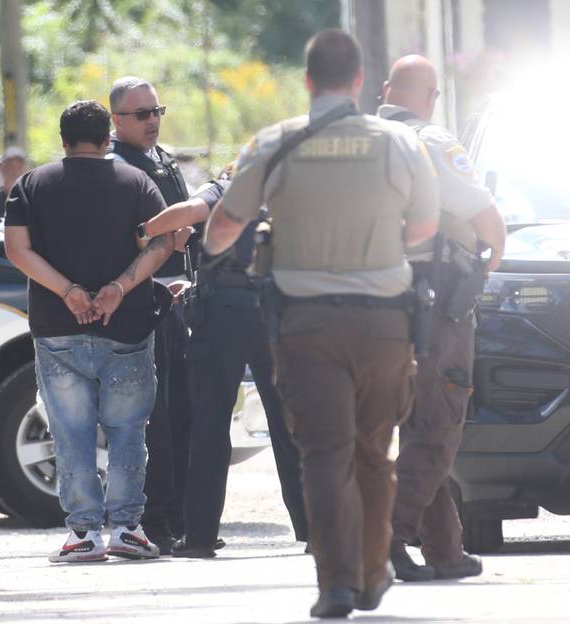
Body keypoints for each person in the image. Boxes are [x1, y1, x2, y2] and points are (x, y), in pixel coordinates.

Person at [203, 29, 440, 618]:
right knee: (373, 452)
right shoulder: (399, 143)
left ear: (307, 81)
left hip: (307, 327)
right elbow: (423, 231)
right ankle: (371, 568)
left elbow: (224, 227)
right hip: (385, 325)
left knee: (324, 454)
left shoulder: (275, 144)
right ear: (360, 81)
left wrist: (219, 248)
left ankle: (335, 585)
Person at [4, 100, 175, 563]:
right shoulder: (137, 182)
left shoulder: (32, 184)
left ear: (63, 141)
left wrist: (68, 291)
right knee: (127, 430)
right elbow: (163, 241)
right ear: (107, 139)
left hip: (58, 329)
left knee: (70, 432)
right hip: (127, 328)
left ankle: (82, 533)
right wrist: (118, 287)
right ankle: (126, 528)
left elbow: (17, 250)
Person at [379, 55, 507, 582]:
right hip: (432, 307)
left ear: (387, 90)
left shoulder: (348, 142)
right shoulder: (429, 139)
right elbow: (488, 221)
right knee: (437, 425)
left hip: (360, 305)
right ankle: (384, 535)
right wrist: (487, 263)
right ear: (430, 96)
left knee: (411, 424)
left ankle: (445, 549)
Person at [136, 169, 309, 558]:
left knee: (210, 424)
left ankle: (198, 537)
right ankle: (315, 529)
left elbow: (188, 211)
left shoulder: (227, 188)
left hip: (226, 312)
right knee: (289, 424)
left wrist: (144, 230)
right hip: (279, 310)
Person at [106, 76, 193, 553]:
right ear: (116, 121)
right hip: (143, 302)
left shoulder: (162, 160)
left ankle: (179, 515)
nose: (153, 121)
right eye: (142, 114)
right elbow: (121, 239)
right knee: (151, 420)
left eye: (158, 111)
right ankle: (154, 520)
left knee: (184, 413)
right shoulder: (115, 168)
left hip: (178, 299)